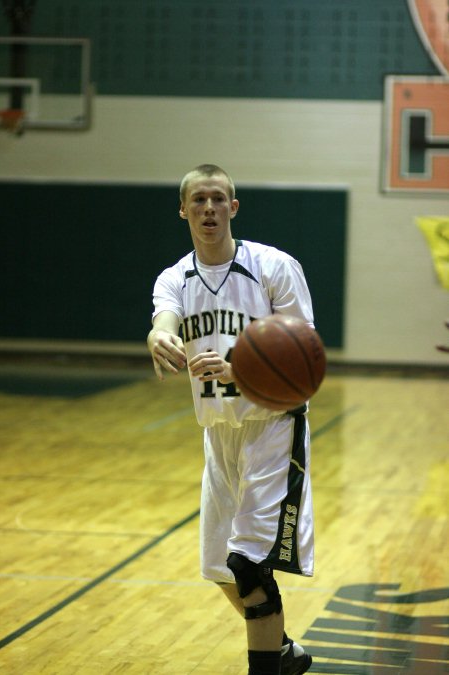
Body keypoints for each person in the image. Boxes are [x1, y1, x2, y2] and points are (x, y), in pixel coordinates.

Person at [147, 164, 314, 675]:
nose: (209, 209)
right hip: (217, 432)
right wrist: (159, 335)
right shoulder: (175, 277)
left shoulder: (273, 267)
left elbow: (305, 350)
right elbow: (165, 316)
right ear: (183, 210)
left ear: (233, 208)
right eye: (198, 200)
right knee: (221, 568)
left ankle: (266, 665)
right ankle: (282, 650)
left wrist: (242, 364)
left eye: (218, 199)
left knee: (248, 563)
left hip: (273, 426)